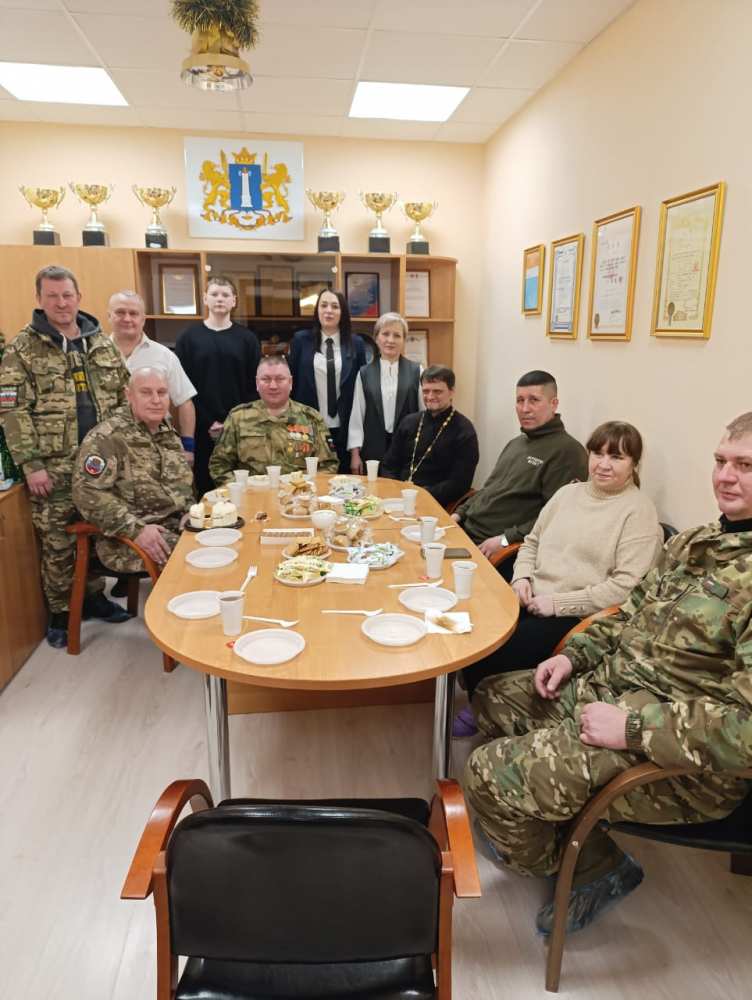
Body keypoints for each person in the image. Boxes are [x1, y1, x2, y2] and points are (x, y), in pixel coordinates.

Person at [464, 411, 752, 937]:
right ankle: (564, 805)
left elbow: (746, 731)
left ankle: (591, 865)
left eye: (746, 466)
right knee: (490, 695)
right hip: (612, 689)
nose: (726, 477)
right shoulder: (696, 542)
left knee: (486, 774)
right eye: (720, 461)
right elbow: (627, 612)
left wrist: (633, 729)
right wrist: (573, 657)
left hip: (677, 758)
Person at [454, 420, 662, 736]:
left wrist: (557, 603)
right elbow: (532, 542)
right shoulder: (567, 494)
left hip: (576, 615)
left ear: (634, 464)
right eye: (598, 454)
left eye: (617, 457)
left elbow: (625, 588)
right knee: (474, 621)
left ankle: (482, 708)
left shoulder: (639, 513)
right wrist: (521, 578)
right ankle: (474, 690)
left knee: (501, 647)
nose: (603, 464)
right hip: (531, 592)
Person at [0, 265, 131, 648]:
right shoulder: (23, 349)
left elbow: (124, 397)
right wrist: (31, 464)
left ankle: (92, 598)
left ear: (79, 297)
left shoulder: (101, 344)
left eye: (67, 295)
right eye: (52, 296)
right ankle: (61, 613)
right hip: (53, 467)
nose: (61, 303)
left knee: (98, 532)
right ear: (39, 299)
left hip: (101, 464)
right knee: (58, 542)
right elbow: (12, 410)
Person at [453, 371, 588, 562]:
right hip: (464, 529)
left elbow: (555, 518)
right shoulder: (516, 443)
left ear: (554, 403)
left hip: (494, 547)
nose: (525, 409)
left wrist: (505, 540)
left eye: (534, 400)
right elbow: (488, 489)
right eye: (520, 400)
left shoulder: (568, 452)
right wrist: (458, 514)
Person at [72, 367, 194, 572]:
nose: (156, 400)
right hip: (126, 538)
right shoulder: (108, 437)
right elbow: (86, 493)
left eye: (162, 392)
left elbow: (182, 482)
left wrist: (190, 511)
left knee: (226, 539)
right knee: (197, 558)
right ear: (129, 395)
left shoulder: (167, 432)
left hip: (174, 525)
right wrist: (136, 530)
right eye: (146, 392)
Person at [174, 276, 260, 496]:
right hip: (201, 428)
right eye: (214, 294)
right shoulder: (188, 338)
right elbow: (183, 388)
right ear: (205, 299)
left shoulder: (248, 339)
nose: (219, 299)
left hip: (240, 428)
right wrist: (209, 422)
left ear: (234, 301)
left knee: (243, 489)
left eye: (225, 295)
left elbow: (253, 387)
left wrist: (231, 422)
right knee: (207, 490)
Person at [209, 354, 338, 485]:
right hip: (252, 494)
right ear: (257, 383)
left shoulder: (311, 418)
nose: (273, 386)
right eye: (266, 379)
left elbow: (329, 465)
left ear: (290, 382)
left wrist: (306, 488)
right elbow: (219, 465)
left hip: (299, 494)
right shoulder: (238, 418)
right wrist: (242, 489)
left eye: (280, 379)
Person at [108, 290, 197, 467]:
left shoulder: (164, 355)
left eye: (133, 313)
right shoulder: (93, 354)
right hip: (109, 446)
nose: (127, 318)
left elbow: (185, 401)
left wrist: (188, 447)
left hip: (156, 448)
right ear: (109, 316)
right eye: (120, 312)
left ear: (143, 319)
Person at [288, 289, 367, 472]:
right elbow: (292, 383)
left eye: (335, 306)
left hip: (344, 428)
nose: (328, 311)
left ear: (343, 312)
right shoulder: (301, 340)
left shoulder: (356, 344)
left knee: (344, 481)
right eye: (323, 305)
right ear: (317, 310)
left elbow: (362, 389)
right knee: (308, 480)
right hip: (307, 428)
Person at [381, 364, 479, 509]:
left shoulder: (464, 430)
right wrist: (398, 490)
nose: (430, 397)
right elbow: (389, 465)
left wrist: (420, 494)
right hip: (397, 498)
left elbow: (459, 483)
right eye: (426, 391)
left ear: (451, 392)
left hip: (436, 504)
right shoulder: (409, 422)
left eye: (437, 391)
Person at [347, 312, 423, 473]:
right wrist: (355, 454)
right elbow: (357, 416)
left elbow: (424, 415)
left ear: (404, 340)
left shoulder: (417, 371)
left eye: (397, 335)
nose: (390, 340)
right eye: (385, 334)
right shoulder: (364, 373)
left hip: (407, 451)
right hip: (372, 451)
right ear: (376, 338)